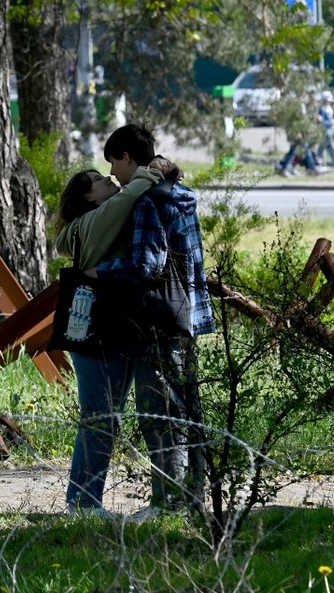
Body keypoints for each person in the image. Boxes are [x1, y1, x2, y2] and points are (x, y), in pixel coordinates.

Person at [90, 122, 215, 520]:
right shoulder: (182, 194)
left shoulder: (147, 203)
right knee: (188, 409)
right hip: (189, 315)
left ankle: (166, 503)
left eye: (114, 165)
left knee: (158, 412)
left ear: (128, 157)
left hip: (157, 324)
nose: (113, 175)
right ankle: (195, 497)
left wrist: (102, 270)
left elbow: (146, 266)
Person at [53, 158, 177, 516]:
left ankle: (86, 500)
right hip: (93, 327)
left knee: (107, 415)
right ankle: (82, 502)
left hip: (115, 327)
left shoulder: (100, 221)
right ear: (88, 199)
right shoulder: (92, 222)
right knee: (99, 415)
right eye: (96, 179)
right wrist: (149, 173)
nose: (106, 178)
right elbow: (126, 199)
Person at [317, 91, 334, 172]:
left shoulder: (329, 109)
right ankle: (318, 164)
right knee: (325, 149)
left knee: (329, 149)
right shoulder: (322, 110)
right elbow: (321, 121)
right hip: (325, 132)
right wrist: (331, 122)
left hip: (330, 132)